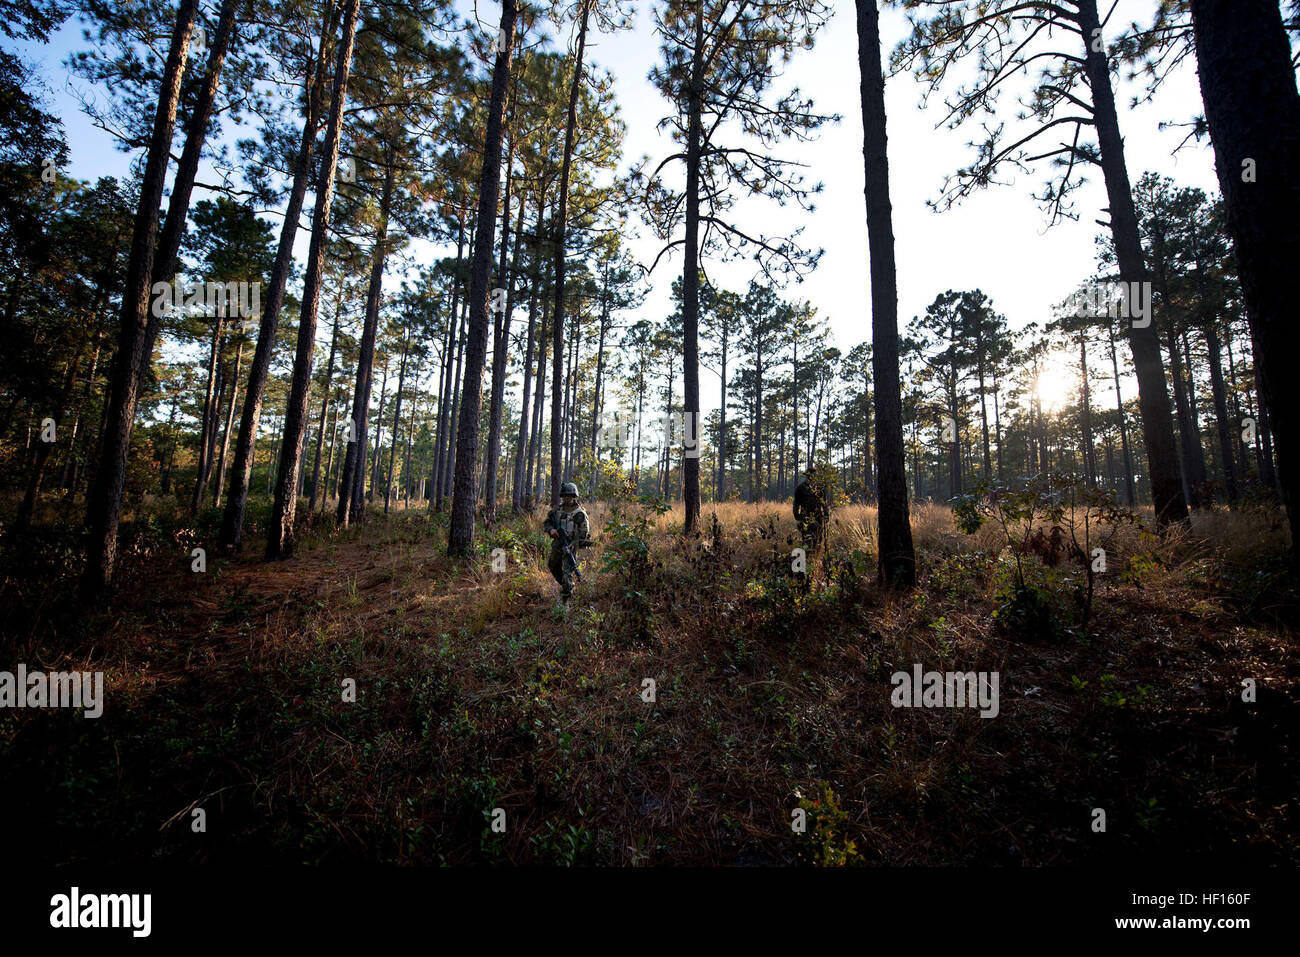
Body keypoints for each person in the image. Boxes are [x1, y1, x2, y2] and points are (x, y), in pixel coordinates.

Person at [544, 482, 591, 603]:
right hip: (557, 544)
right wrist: (551, 530)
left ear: (574, 496)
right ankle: (567, 585)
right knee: (553, 566)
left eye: (569, 496)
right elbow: (547, 523)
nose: (566, 498)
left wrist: (575, 544)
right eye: (564, 496)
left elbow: (584, 532)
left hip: (570, 546)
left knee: (567, 571)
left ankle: (566, 597)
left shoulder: (579, 513)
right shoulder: (557, 510)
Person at [793, 468, 829, 551]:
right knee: (806, 538)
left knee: (818, 538)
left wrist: (826, 514)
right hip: (805, 517)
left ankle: (817, 555)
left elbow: (824, 503)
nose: (811, 477)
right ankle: (807, 557)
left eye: (813, 475)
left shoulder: (820, 488)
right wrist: (796, 514)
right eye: (809, 475)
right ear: (807, 476)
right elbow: (796, 503)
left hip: (818, 517)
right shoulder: (800, 488)